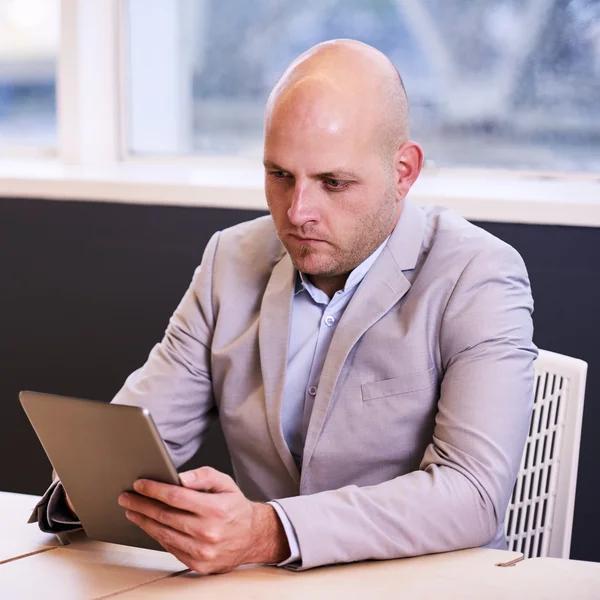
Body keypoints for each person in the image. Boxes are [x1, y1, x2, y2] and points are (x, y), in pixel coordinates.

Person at [31, 39, 537, 574]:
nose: (298, 213)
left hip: (424, 583)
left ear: (404, 171)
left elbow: (474, 494)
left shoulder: (478, 274)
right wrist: (91, 492)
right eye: (279, 176)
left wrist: (267, 532)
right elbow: (134, 436)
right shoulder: (231, 259)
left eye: (333, 182)